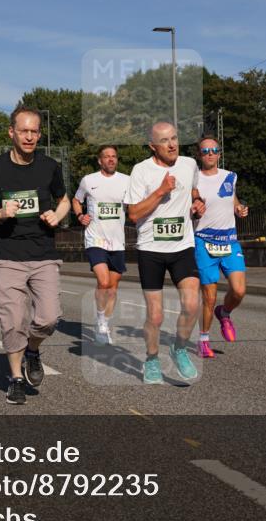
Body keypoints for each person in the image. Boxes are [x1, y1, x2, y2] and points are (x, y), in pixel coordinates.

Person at [0, 106, 69, 405]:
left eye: (35, 131)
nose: (29, 136)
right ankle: (15, 378)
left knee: (49, 318)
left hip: (43, 252)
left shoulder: (49, 166)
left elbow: (64, 199)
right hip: (8, 255)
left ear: (40, 134)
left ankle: (33, 350)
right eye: (24, 131)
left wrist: (58, 215)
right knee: (13, 320)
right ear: (11, 132)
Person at [123, 121, 204, 384]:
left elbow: (193, 190)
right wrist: (160, 191)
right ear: (152, 146)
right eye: (165, 141)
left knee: (192, 305)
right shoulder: (141, 171)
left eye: (175, 138)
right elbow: (133, 214)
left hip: (182, 246)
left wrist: (198, 202)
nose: (172, 145)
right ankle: (152, 359)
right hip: (151, 250)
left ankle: (179, 348)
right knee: (155, 316)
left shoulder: (190, 164)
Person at [194, 137, 249, 358]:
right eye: (205, 150)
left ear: (219, 153)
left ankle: (224, 313)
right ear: (200, 154)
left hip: (229, 241)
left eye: (213, 150)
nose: (210, 153)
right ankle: (204, 339)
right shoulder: (193, 179)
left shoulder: (230, 176)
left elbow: (233, 201)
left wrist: (239, 209)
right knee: (209, 296)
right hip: (203, 241)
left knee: (239, 290)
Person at [72, 144, 129, 345]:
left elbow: (136, 205)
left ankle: (103, 323)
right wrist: (80, 215)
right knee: (104, 282)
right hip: (95, 238)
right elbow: (76, 200)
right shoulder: (89, 180)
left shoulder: (126, 181)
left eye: (114, 156)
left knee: (112, 288)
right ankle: (101, 320)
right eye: (107, 156)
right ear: (100, 160)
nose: (111, 159)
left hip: (118, 241)